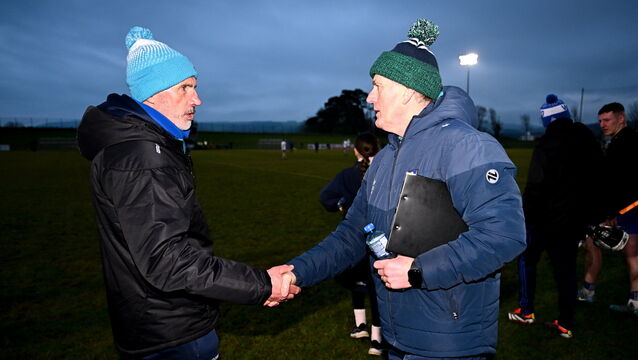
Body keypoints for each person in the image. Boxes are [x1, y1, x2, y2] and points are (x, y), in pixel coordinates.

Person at [278, 19, 526, 359]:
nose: (369, 97)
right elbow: (353, 234)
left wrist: (418, 270)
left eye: (378, 86)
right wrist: (297, 272)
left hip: (447, 343)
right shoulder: (383, 160)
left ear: (409, 91)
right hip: (397, 337)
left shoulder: (466, 146)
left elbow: (504, 234)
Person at [77, 26, 299, 359]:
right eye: (185, 88)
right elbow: (167, 260)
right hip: (173, 333)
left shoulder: (137, 148)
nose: (197, 99)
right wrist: (261, 284)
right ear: (154, 93)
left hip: (152, 324)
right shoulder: (143, 158)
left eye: (195, 87)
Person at [506, 94, 605, 338]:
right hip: (572, 221)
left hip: (543, 220)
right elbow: (598, 179)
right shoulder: (587, 140)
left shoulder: (546, 143)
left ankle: (527, 311)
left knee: (527, 260)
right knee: (566, 271)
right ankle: (565, 322)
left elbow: (536, 186)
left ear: (547, 121)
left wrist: (526, 215)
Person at [319, 133, 383, 356]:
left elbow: (325, 197)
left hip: (353, 238)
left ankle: (360, 327)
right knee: (377, 287)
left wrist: (342, 206)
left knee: (357, 282)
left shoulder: (347, 175)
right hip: (381, 241)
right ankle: (376, 340)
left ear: (356, 150)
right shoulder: (386, 173)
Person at [577, 102, 638, 316]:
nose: (602, 124)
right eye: (600, 120)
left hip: (628, 208)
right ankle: (633, 301)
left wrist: (613, 214)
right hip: (626, 207)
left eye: (607, 120)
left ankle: (588, 292)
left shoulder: (625, 143)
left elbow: (621, 183)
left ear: (621, 119)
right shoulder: (622, 140)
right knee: (631, 253)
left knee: (626, 252)